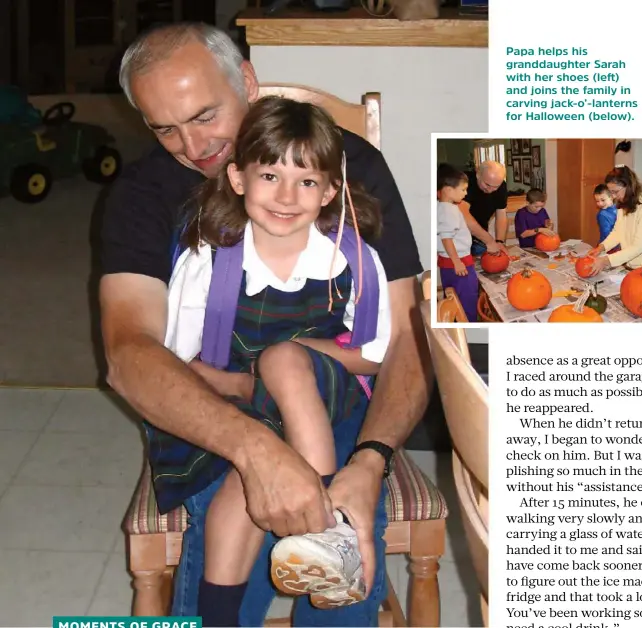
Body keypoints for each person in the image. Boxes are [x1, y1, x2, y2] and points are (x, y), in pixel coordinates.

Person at [100, 22, 430, 626]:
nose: (191, 144)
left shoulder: (348, 170)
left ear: (246, 82)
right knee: (240, 511)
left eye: (205, 115)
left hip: (332, 403)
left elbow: (405, 335)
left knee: (348, 546)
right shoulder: (143, 196)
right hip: (220, 406)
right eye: (164, 127)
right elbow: (131, 354)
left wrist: (370, 461)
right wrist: (257, 451)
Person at [162, 96, 392, 625]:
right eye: (270, 175)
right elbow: (179, 365)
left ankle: (325, 532)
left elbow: (375, 357)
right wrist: (249, 386)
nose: (287, 196)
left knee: (286, 361)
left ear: (330, 190)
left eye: (307, 181)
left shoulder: (350, 257)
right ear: (238, 178)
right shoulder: (210, 260)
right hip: (238, 403)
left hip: (331, 401)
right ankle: (217, 616)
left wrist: (285, 359)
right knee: (240, 491)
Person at [586, 165, 642, 276]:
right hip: (628, 265)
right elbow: (617, 232)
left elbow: (639, 246)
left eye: (615, 192)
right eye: (611, 192)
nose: (613, 196)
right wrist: (601, 247)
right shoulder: (623, 205)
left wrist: (606, 260)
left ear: (629, 186)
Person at [435, 163, 481, 321]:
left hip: (446, 264)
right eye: (463, 189)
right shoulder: (450, 210)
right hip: (459, 264)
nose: (466, 193)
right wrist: (457, 262)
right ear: (448, 190)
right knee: (467, 301)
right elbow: (446, 238)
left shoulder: (438, 207)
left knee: (452, 297)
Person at [464, 160, 511, 255]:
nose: (490, 190)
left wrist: (499, 241)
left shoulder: (501, 186)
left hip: (479, 237)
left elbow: (501, 215)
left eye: (495, 187)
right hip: (458, 236)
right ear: (478, 175)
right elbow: (464, 216)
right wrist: (489, 241)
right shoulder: (464, 182)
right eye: (487, 184)